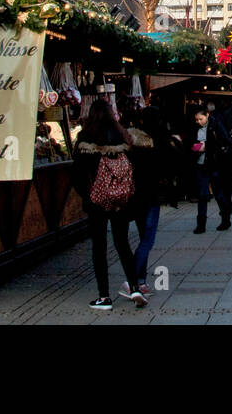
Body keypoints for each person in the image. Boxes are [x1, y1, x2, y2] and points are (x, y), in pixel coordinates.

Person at [75, 98, 146, 309]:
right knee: (123, 244)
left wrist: (87, 195)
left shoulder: (85, 138)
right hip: (120, 200)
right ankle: (134, 287)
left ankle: (104, 297)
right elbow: (133, 169)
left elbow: (77, 174)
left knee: (99, 247)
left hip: (96, 201)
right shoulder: (122, 137)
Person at [125, 101, 174, 299]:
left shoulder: (130, 140)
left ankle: (141, 280)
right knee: (147, 239)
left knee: (143, 237)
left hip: (133, 194)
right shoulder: (160, 142)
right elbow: (168, 167)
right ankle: (133, 281)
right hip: (151, 196)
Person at [190, 104, 232, 233]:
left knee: (218, 193)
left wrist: (207, 146)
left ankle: (225, 218)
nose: (198, 122)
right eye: (197, 119)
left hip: (215, 164)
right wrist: (194, 147)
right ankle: (201, 224)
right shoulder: (194, 128)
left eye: (201, 119)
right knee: (202, 195)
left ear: (207, 115)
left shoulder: (216, 125)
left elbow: (225, 141)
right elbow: (189, 142)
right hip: (200, 165)